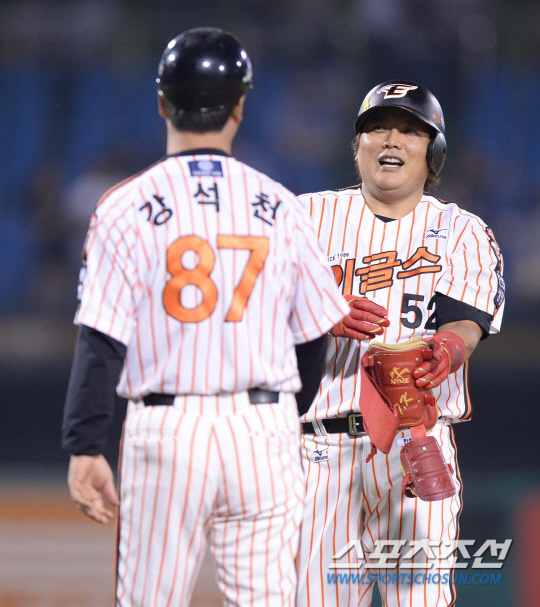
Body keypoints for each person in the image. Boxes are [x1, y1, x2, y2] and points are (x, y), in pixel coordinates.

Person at [62, 27, 349, 607]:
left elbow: (101, 340)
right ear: (239, 107)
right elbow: (314, 334)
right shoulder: (282, 206)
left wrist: (85, 444)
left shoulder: (123, 206)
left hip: (168, 429)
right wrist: (282, 418)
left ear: (162, 103)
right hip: (262, 426)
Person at [296, 80, 504, 607]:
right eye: (378, 128)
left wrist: (448, 349)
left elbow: (466, 323)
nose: (391, 139)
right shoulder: (303, 217)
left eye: (410, 130)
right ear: (357, 146)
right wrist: (317, 310)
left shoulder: (461, 230)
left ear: (434, 152)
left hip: (417, 445)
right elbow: (248, 308)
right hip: (318, 449)